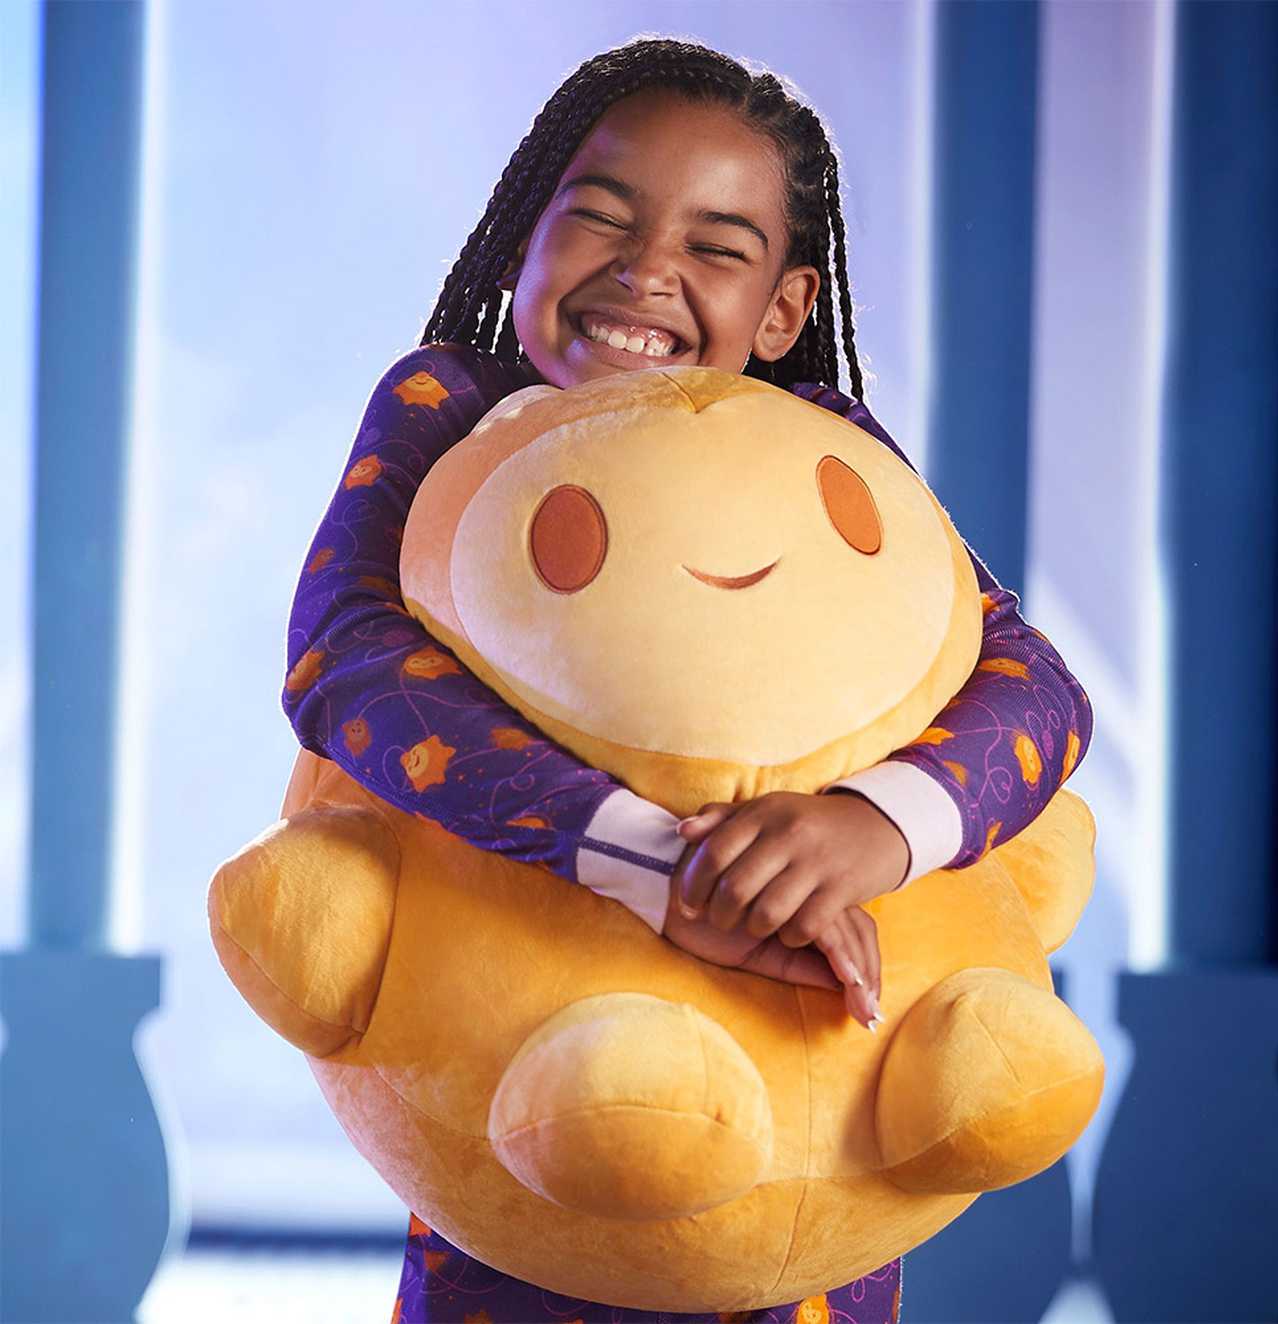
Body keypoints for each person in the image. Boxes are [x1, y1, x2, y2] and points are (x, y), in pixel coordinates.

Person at [282, 37, 1093, 1324]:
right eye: (598, 214)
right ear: (521, 242)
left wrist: (876, 826)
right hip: (525, 1076)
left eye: (715, 246)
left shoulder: (826, 445)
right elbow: (347, 662)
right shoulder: (452, 411)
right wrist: (654, 860)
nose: (644, 268)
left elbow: (1037, 687)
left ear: (783, 309)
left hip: (806, 1091)